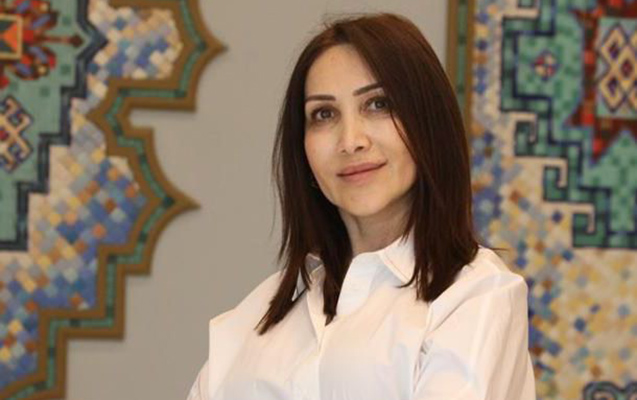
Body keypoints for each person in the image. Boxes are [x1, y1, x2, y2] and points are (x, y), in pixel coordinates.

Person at [187, 12, 536, 400]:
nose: (350, 140)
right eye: (324, 114)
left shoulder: (477, 297)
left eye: (378, 104)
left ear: (428, 123)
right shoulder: (251, 321)